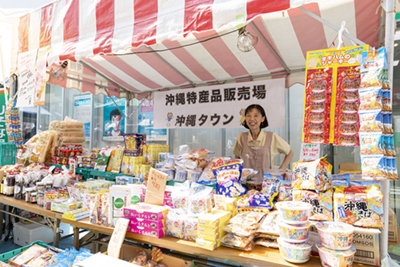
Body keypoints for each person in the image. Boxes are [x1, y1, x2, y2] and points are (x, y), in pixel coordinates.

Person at [233, 104, 293, 178]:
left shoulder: (271, 136)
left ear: (263, 118)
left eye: (256, 115)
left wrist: (281, 170)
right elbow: (237, 158)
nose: (252, 119)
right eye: (248, 115)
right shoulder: (241, 137)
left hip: (266, 185)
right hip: (245, 185)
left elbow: (290, 152)